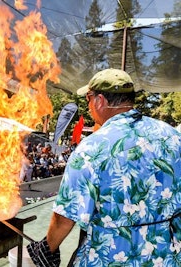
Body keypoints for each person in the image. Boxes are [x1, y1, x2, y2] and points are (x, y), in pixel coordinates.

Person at [27, 69, 181, 267]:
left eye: (89, 99)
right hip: (167, 255)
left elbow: (66, 216)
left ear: (99, 101)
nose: (89, 106)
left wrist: (47, 248)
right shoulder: (172, 136)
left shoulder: (91, 149)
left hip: (109, 257)